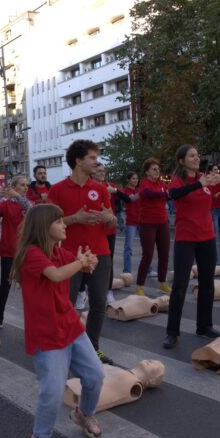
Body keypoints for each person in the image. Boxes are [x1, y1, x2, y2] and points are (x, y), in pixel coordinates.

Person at [9, 204, 104, 438]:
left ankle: (83, 414)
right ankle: (39, 437)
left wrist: (88, 263)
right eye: (59, 221)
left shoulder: (59, 252)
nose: (64, 225)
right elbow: (55, 275)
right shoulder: (32, 253)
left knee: (95, 375)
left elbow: (78, 265)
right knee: (52, 390)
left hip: (71, 326)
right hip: (46, 333)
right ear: (44, 226)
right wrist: (80, 263)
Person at [47, 140, 116, 364]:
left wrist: (109, 218)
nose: (96, 162)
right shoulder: (57, 190)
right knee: (65, 304)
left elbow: (111, 221)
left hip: (100, 253)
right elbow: (48, 224)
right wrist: (75, 219)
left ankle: (93, 348)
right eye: (92, 158)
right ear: (78, 161)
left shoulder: (100, 189)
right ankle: (63, 347)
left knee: (98, 303)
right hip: (69, 256)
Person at [164, 145, 220, 349]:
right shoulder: (178, 180)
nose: (196, 158)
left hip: (207, 237)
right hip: (186, 238)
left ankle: (204, 326)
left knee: (207, 284)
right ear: (182, 160)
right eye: (191, 156)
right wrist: (199, 185)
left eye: (197, 155)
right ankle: (172, 332)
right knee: (180, 286)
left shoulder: (205, 178)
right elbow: (174, 194)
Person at [0, 175, 31, 328]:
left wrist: (19, 197)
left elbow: (32, 211)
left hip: (26, 251)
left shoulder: (27, 203)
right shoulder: (6, 204)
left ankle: (32, 318)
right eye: (22, 185)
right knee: (5, 284)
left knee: (30, 286)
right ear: (13, 187)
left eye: (27, 185)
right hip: (8, 251)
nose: (25, 187)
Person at [91, 163, 132, 303]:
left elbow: (128, 199)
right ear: (92, 173)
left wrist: (114, 191)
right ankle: (85, 291)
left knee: (108, 262)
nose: (102, 173)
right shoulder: (88, 186)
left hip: (109, 230)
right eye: (99, 171)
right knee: (90, 261)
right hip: (93, 229)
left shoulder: (110, 185)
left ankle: (108, 291)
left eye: (104, 171)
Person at [136, 158, 171, 296]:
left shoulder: (162, 184)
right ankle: (140, 286)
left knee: (164, 253)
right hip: (147, 224)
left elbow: (171, 194)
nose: (157, 171)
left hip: (162, 223)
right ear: (147, 172)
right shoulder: (144, 183)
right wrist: (165, 194)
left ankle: (162, 282)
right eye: (154, 169)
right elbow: (148, 194)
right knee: (148, 255)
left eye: (158, 169)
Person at [121, 172, 142, 276]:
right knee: (128, 248)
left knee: (147, 247)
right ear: (128, 180)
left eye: (137, 178)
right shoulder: (125, 191)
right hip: (131, 222)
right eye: (133, 178)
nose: (136, 180)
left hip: (142, 221)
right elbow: (129, 200)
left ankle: (148, 269)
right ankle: (127, 271)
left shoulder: (139, 190)